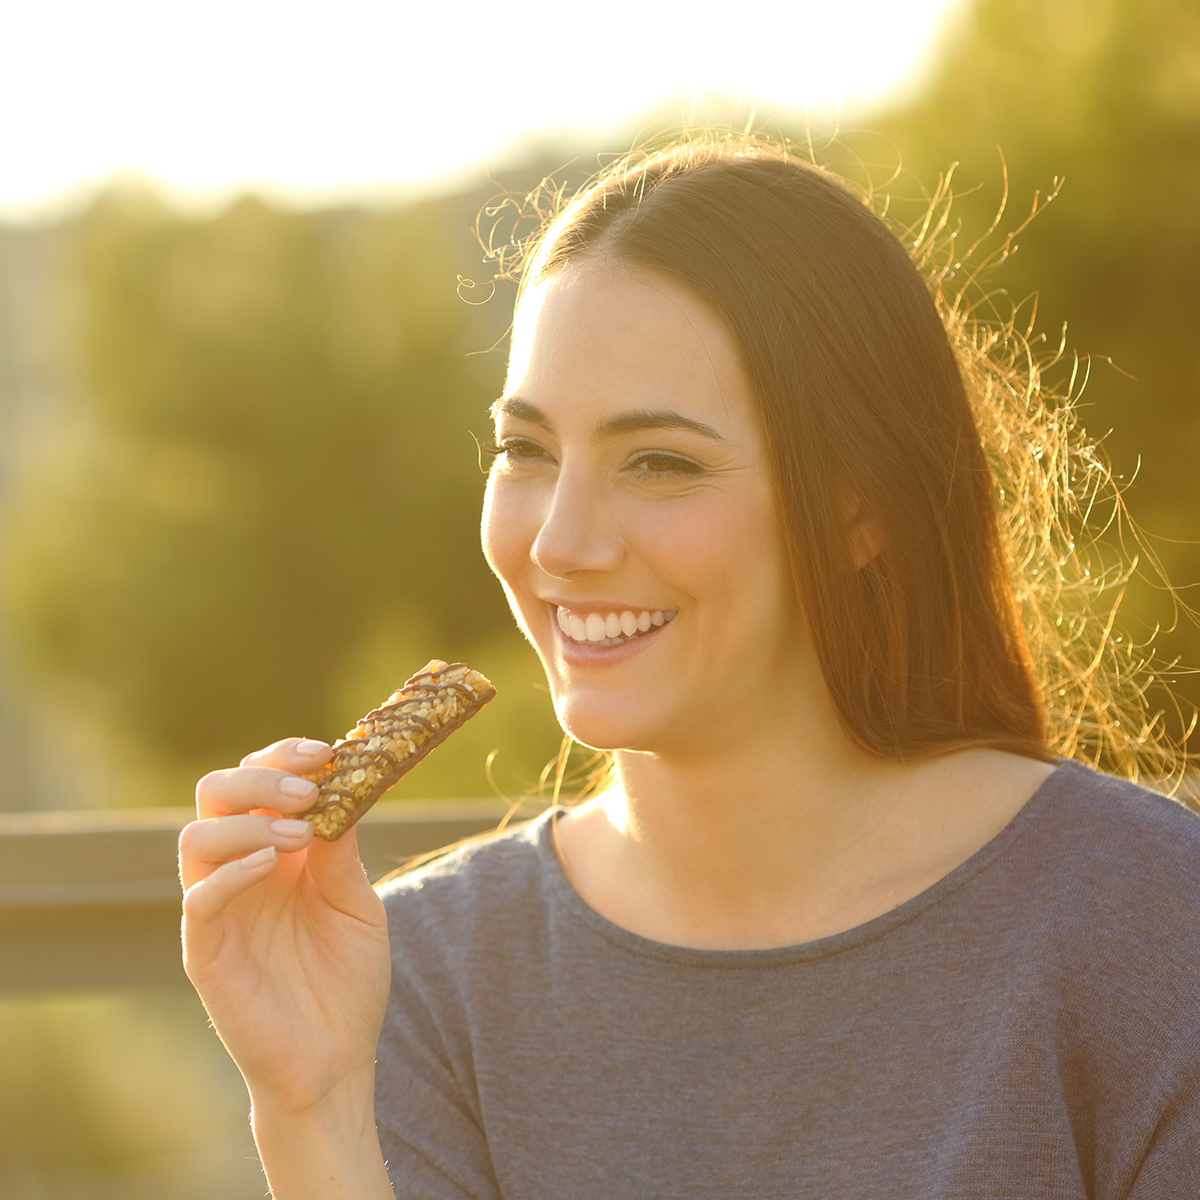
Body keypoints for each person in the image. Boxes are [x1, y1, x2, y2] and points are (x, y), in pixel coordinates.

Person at [179, 135, 1200, 1198]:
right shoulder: (414, 979)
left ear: (859, 507)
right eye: (526, 451)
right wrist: (312, 1111)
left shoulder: (1156, 925)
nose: (560, 541)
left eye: (658, 463)